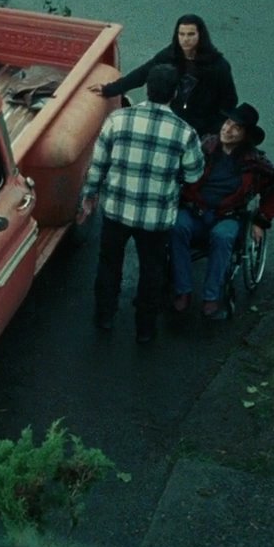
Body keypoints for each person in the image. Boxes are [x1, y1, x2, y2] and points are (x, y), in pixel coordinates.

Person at [78, 64, 205, 343]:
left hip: (117, 210)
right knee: (152, 270)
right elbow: (194, 174)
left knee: (109, 264)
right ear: (174, 93)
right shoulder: (184, 132)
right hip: (156, 218)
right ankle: (145, 330)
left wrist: (89, 196)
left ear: (147, 89)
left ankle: (105, 316)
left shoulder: (118, 120)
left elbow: (98, 164)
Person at [171, 103, 274, 321]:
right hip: (195, 211)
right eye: (227, 123)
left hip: (228, 215)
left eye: (236, 127)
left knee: (222, 237)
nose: (228, 129)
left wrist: (261, 221)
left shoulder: (255, 162)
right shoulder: (204, 147)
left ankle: (211, 296)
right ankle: (182, 290)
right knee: (177, 227)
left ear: (245, 135)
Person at [88, 13, 238, 138]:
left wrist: (213, 128)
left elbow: (229, 100)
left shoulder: (217, 66)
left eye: (191, 34)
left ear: (201, 36)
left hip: (203, 126)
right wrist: (109, 89)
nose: (185, 39)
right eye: (181, 34)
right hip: (174, 119)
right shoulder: (171, 55)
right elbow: (142, 74)